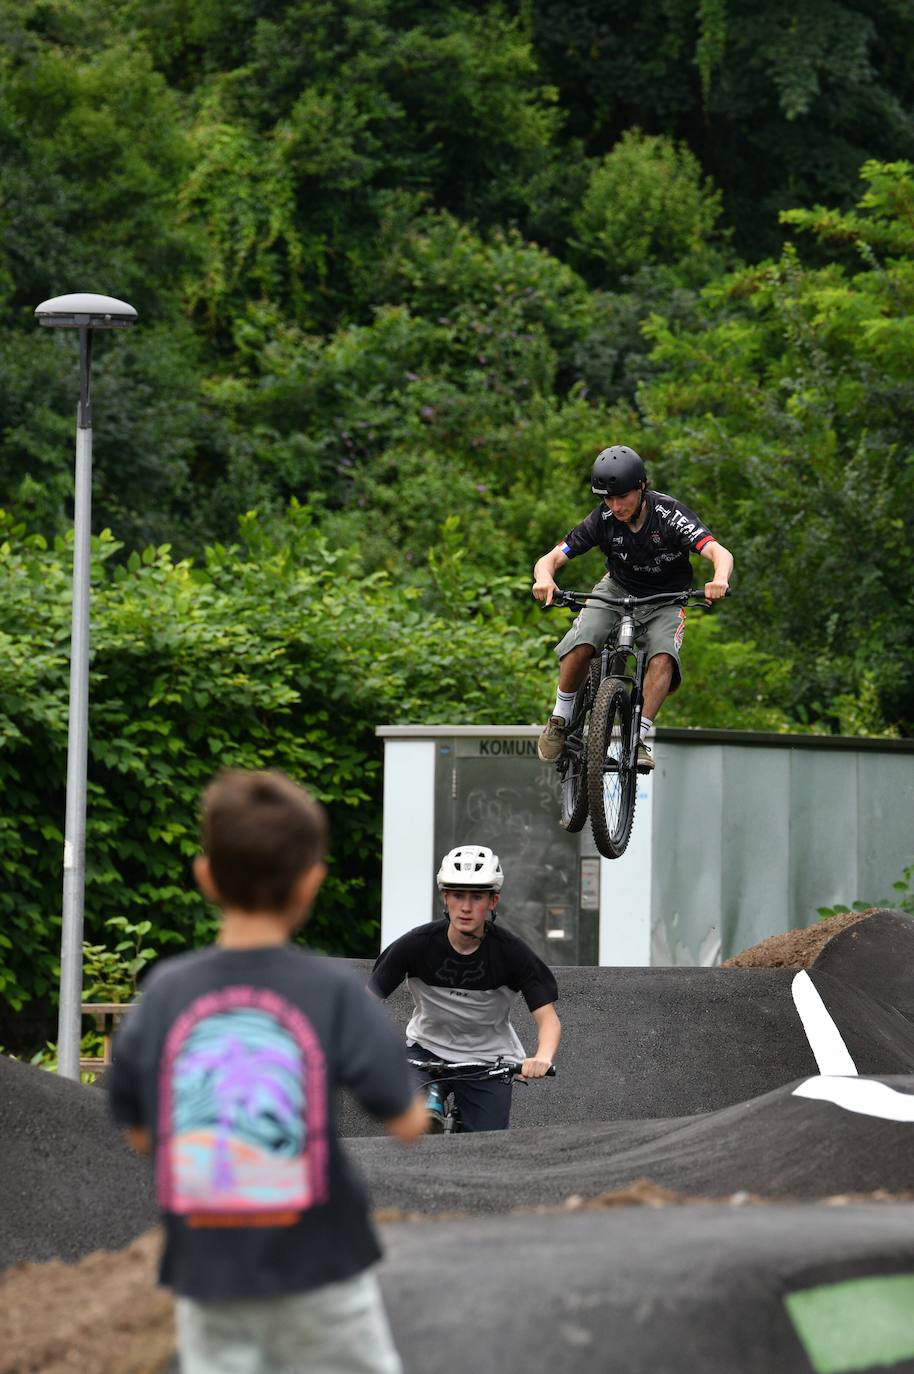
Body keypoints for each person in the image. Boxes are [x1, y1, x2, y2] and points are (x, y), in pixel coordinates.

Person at [108, 768, 426, 1374]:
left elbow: (141, 1132)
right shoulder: (332, 992)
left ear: (205, 877)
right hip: (322, 1263)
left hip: (205, 1267)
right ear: (311, 885)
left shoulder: (165, 992)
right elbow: (409, 1122)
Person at [533, 444, 734, 771]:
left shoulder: (669, 515)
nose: (616, 506)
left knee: (663, 656)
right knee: (583, 640)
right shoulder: (603, 519)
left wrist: (719, 578)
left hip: (666, 599)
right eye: (607, 499)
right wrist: (544, 579)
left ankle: (636, 738)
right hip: (617, 589)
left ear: (641, 487)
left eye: (622, 497)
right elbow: (551, 559)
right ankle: (560, 716)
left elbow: (718, 552)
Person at [367, 844, 561, 1133]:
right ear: (445, 898)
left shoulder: (512, 952)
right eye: (457, 895)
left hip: (488, 1061)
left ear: (493, 902)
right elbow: (366, 1003)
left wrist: (542, 1058)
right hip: (425, 1052)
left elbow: (549, 1020)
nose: (466, 907)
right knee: (408, 1131)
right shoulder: (415, 945)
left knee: (485, 1150)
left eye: (477, 897)